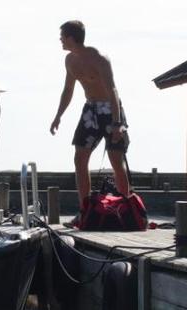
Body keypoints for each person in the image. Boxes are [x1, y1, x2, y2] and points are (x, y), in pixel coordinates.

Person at [49, 20, 131, 209]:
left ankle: (126, 207)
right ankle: (85, 209)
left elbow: (112, 90)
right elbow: (68, 89)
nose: (60, 40)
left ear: (70, 38)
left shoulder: (99, 58)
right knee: (80, 157)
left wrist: (117, 122)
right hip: (91, 110)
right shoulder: (69, 60)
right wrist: (58, 115)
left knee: (115, 160)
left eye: (62, 37)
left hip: (110, 109)